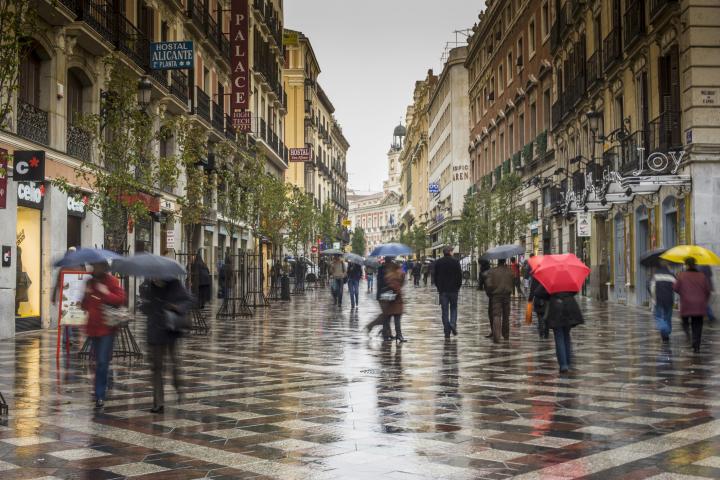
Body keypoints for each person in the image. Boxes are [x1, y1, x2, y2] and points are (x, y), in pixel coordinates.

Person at [141, 278, 194, 413]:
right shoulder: (147, 285)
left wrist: (176, 307)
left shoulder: (174, 284)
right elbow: (145, 307)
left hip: (170, 330)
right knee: (156, 367)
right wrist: (144, 304)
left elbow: (189, 300)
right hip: (154, 331)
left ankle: (178, 386)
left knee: (174, 363)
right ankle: (158, 403)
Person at [81, 261, 126, 408]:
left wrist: (105, 292)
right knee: (96, 361)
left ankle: (100, 394)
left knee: (102, 361)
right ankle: (99, 390)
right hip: (93, 328)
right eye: (93, 266)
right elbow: (84, 306)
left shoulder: (111, 281)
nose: (94, 269)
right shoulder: (90, 282)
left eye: (97, 266)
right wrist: (86, 295)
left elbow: (120, 299)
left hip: (107, 328)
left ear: (104, 268)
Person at [531, 281, 584, 373]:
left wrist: (550, 294)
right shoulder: (568, 278)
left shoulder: (551, 279)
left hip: (556, 306)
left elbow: (538, 292)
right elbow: (575, 290)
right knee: (566, 335)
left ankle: (563, 365)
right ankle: (567, 363)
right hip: (569, 306)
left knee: (559, 336)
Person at [674, 257, 711, 353]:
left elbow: (676, 288)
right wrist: (705, 300)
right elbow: (707, 290)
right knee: (698, 325)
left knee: (684, 322)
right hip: (699, 305)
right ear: (695, 265)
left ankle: (688, 335)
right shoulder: (702, 276)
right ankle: (696, 345)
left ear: (686, 265)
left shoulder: (682, 275)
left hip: (686, 304)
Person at [365, 260, 406, 343]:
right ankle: (385, 333)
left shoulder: (394, 271)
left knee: (388, 316)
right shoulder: (383, 270)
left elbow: (400, 282)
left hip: (392, 297)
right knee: (387, 316)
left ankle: (388, 334)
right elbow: (381, 283)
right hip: (386, 297)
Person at [434, 246, 463, 338]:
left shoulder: (439, 262)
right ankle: (453, 324)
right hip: (454, 290)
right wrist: (458, 287)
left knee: (444, 311)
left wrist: (439, 287)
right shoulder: (456, 262)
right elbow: (459, 276)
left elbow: (435, 276)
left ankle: (447, 331)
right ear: (450, 252)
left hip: (443, 291)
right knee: (454, 308)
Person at [485, 258, 514, 343]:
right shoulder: (510, 271)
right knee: (506, 315)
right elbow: (513, 282)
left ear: (498, 261)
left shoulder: (492, 271)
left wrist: (490, 293)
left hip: (496, 295)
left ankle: (497, 336)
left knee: (496, 315)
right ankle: (506, 335)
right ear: (504, 261)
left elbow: (488, 284)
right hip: (507, 295)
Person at [650, 260, 676, 343]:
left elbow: (652, 288)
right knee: (667, 317)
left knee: (658, 316)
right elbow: (676, 287)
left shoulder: (656, 275)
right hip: (669, 299)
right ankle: (666, 333)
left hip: (659, 299)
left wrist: (653, 299)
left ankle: (664, 328)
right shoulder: (672, 275)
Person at [527, 271, 549, 339]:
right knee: (546, 316)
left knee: (539, 316)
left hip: (538, 299)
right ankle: (546, 333)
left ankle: (541, 332)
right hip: (547, 299)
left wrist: (530, 300)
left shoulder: (535, 276)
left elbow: (532, 290)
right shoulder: (549, 276)